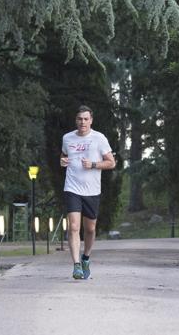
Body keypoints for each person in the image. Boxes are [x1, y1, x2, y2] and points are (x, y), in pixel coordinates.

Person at [60, 105, 115, 279]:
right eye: (79, 119)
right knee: (74, 227)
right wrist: (62, 161)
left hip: (92, 190)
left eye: (85, 119)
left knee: (90, 229)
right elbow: (63, 156)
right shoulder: (67, 138)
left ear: (91, 120)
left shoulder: (99, 138)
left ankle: (86, 258)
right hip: (72, 188)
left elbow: (111, 162)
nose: (82, 122)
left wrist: (92, 164)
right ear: (76, 120)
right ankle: (76, 265)